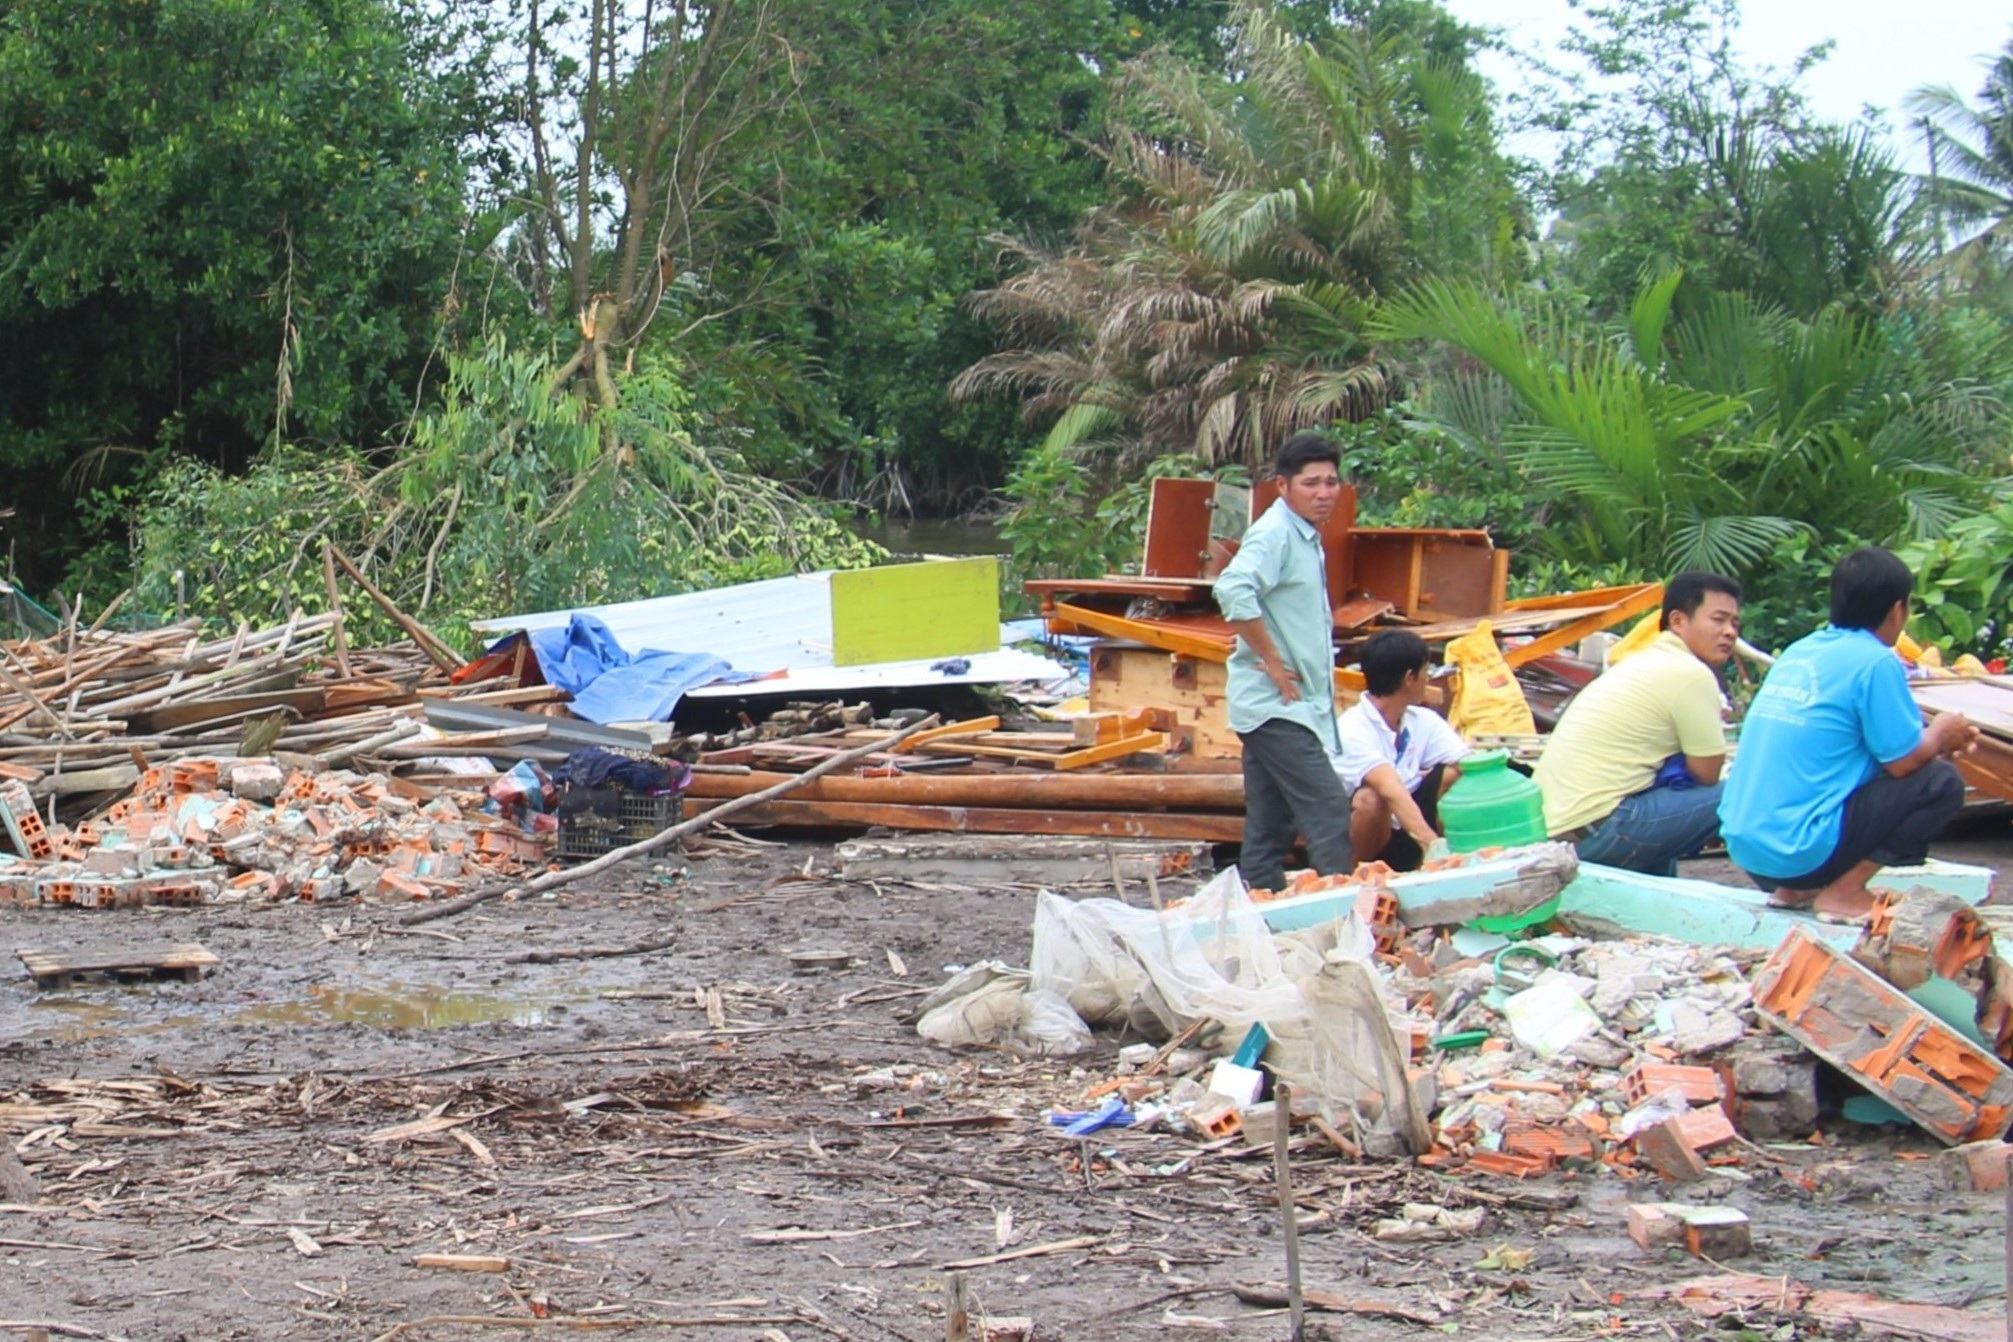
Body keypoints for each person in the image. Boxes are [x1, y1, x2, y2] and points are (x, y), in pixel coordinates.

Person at [1719, 547, 1977, 919]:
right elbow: (1905, 763)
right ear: (1897, 610)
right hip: (1801, 853)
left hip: (1751, 854)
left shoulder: (1799, 651)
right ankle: (1845, 892)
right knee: (1940, 782)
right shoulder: (1875, 661)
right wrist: (1940, 732)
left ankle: (1796, 891)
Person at [1214, 432, 1352, 893]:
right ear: (1282, 486)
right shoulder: (1276, 534)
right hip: (1277, 704)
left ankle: (1261, 911)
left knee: (1270, 824)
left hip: (1283, 705)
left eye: (1331, 482)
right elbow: (1233, 589)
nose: (1324, 493)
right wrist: (1271, 659)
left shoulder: (1304, 536)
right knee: (1329, 806)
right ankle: (1344, 915)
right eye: (1311, 483)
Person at [1532, 572, 1742, 876]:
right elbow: (1707, 773)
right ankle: (1792, 887)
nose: (1729, 632)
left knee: (1660, 796)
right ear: (1679, 621)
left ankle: (1665, 904)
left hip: (1557, 834)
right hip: (1598, 831)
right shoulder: (1690, 673)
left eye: (1735, 623)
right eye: (1719, 620)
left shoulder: (1641, 662)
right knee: (1740, 792)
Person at [1334, 629, 1468, 871]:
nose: (1428, 678)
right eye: (1426, 671)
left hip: (1409, 830)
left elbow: (1466, 761)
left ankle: (1428, 864)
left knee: (1454, 775)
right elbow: (1389, 788)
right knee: (1371, 799)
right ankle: (1350, 878)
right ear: (1409, 677)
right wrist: (1432, 844)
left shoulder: (1423, 720)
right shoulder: (1351, 729)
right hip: (1366, 837)